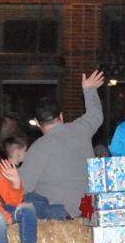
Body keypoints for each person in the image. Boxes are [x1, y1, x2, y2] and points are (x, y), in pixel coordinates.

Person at [19, 70, 105, 218]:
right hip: (88, 208)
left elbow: (24, 186)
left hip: (62, 212)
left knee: (23, 199)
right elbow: (96, 114)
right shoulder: (81, 129)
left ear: (37, 123)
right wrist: (89, 89)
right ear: (61, 115)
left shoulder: (39, 147)